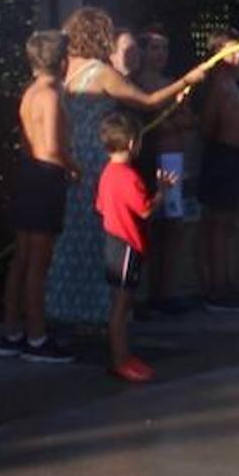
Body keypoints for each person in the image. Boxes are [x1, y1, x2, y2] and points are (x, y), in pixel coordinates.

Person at [45, 7, 204, 328]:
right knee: (104, 236)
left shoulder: (66, 71)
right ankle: (104, 312)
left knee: (72, 236)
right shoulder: (99, 71)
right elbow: (147, 101)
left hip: (72, 156)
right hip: (98, 159)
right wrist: (187, 81)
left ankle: (64, 308)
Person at [0, 30, 79, 362]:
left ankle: (12, 331)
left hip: (28, 175)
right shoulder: (49, 94)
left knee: (22, 258)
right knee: (37, 263)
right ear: (62, 61)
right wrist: (76, 168)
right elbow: (51, 148)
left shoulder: (30, 92)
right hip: (45, 178)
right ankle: (36, 337)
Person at [95, 111, 180, 382]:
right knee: (122, 306)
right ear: (132, 143)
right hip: (127, 244)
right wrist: (162, 191)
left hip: (113, 241)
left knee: (121, 303)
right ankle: (120, 360)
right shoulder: (128, 176)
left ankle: (122, 356)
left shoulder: (107, 174)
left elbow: (99, 206)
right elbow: (145, 210)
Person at [133, 26, 195, 316]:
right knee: (148, 226)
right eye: (155, 48)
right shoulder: (136, 85)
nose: (160, 55)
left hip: (174, 159)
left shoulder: (171, 83)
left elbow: (188, 120)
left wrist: (174, 121)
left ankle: (166, 291)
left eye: (164, 49)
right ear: (143, 51)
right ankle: (142, 293)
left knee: (173, 226)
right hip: (149, 159)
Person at [196, 29, 239, 313]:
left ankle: (225, 282)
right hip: (222, 156)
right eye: (232, 51)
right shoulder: (219, 85)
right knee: (218, 223)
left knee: (227, 223)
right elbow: (207, 125)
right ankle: (216, 288)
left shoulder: (232, 82)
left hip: (233, 156)